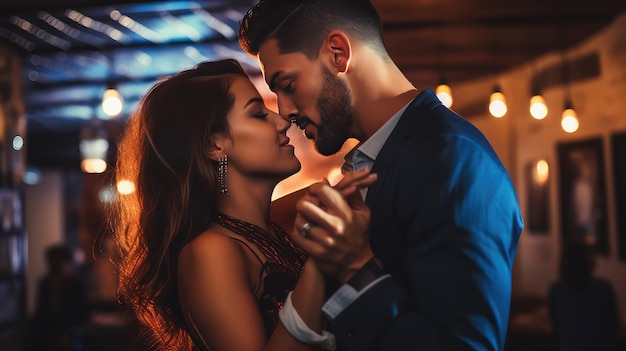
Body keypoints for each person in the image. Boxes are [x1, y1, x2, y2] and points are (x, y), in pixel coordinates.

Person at [238, 1, 524, 350]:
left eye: (288, 84)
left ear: (338, 54)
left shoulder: (452, 159)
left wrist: (358, 268)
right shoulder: (371, 162)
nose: (284, 111)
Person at [111, 59, 374, 351]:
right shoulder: (210, 251)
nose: (283, 121)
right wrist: (319, 264)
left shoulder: (286, 223)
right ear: (215, 145)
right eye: (259, 114)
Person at [548, 242, 621, 351]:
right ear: (589, 262)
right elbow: (614, 324)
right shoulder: (603, 289)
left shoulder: (557, 291)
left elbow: (556, 324)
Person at [28, 244, 88, 351]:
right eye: (51, 261)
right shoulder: (44, 282)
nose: (53, 264)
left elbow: (80, 310)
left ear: (63, 262)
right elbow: (41, 308)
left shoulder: (75, 283)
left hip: (68, 326)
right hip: (47, 327)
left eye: (57, 261)